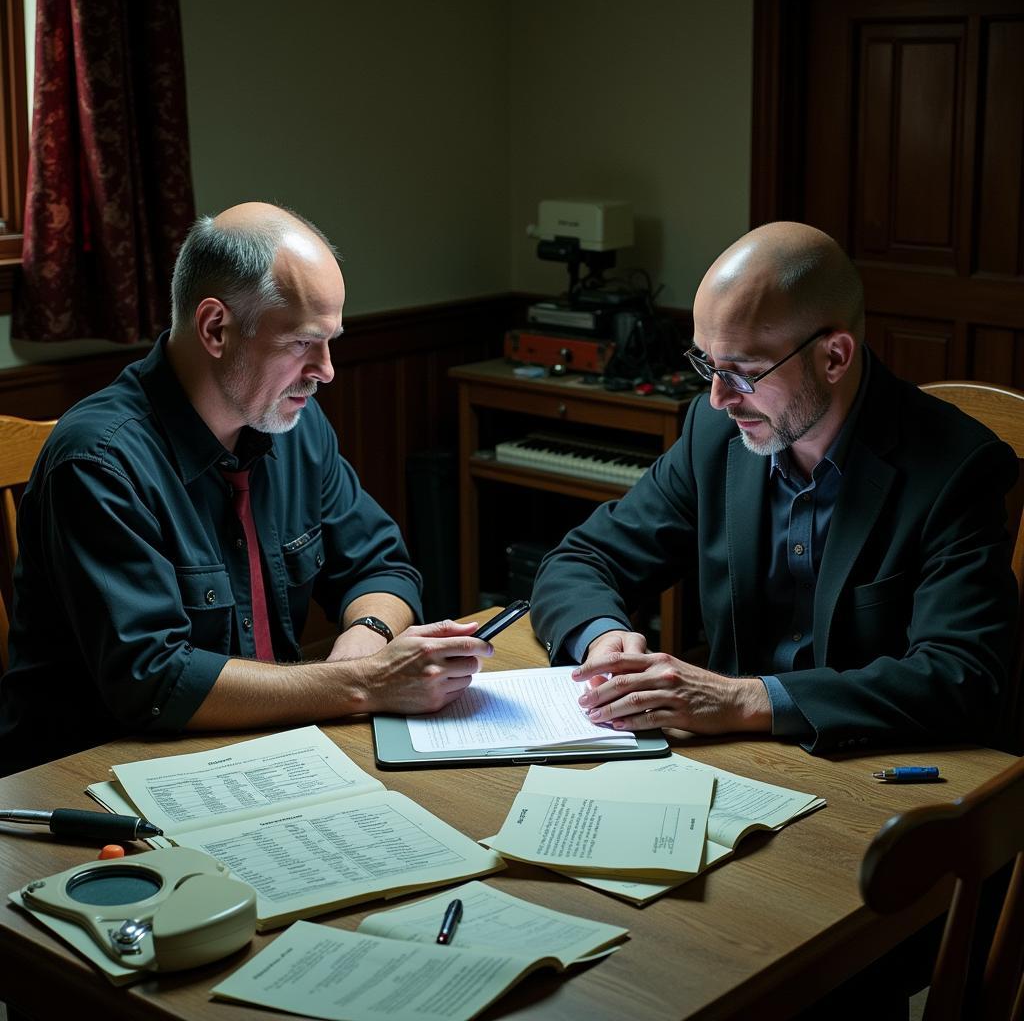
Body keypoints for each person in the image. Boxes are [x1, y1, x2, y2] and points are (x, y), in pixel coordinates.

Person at [0, 203, 491, 773]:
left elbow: (381, 567)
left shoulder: (294, 426)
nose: (327, 370)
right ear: (216, 328)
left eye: (332, 340)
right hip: (91, 777)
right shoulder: (99, 462)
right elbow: (156, 681)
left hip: (259, 752)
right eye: (303, 343)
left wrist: (368, 636)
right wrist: (363, 683)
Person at [531, 221, 1018, 754]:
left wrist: (743, 700)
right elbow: (580, 560)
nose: (718, 398)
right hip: (732, 762)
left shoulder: (957, 468)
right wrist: (603, 639)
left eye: (742, 373)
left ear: (834, 357)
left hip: (874, 769)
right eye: (706, 364)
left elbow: (959, 678)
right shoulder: (713, 435)